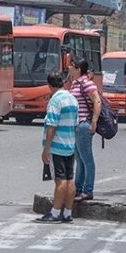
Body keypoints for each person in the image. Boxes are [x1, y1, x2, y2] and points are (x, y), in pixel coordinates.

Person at [36, 71, 78, 223]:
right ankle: (67, 213)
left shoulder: (55, 101)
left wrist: (46, 149)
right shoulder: (72, 99)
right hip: (70, 144)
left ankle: (54, 213)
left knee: (60, 180)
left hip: (57, 146)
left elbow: (52, 127)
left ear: (50, 85)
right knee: (70, 179)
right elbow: (75, 123)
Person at [68, 57, 101, 202]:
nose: (69, 67)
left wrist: (93, 122)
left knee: (87, 159)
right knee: (79, 159)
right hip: (76, 125)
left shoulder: (87, 83)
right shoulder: (75, 83)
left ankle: (88, 190)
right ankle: (78, 189)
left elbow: (97, 101)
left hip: (83, 124)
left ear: (78, 69)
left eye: (72, 65)